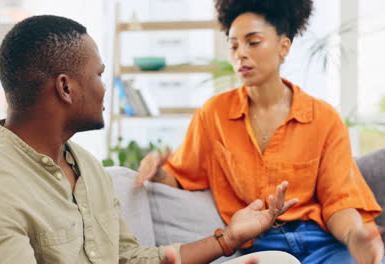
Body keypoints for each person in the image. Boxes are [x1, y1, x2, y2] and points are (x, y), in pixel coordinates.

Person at [0, 15, 300, 264]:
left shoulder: (87, 168)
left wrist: (229, 239)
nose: (105, 86)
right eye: (98, 74)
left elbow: (132, 259)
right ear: (65, 87)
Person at [136, 0, 385, 263]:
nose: (240, 53)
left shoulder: (324, 119)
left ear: (284, 46)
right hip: (261, 245)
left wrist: (353, 235)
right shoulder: (213, 115)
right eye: (233, 45)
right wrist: (157, 170)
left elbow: (340, 202)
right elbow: (182, 176)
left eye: (253, 42)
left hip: (321, 241)